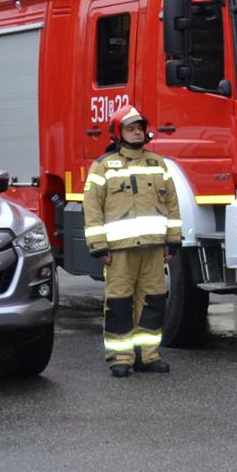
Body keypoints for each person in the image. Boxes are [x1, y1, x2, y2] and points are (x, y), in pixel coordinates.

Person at [84, 104, 183, 378]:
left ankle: (148, 356)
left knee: (153, 302)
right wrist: (98, 246)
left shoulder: (157, 164)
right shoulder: (102, 167)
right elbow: (92, 209)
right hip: (118, 252)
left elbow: (172, 205)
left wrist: (172, 241)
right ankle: (120, 358)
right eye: (131, 128)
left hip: (153, 249)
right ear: (118, 132)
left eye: (140, 128)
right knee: (118, 304)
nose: (138, 133)